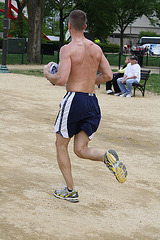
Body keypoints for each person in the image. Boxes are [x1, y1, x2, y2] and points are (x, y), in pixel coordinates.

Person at [43, 10, 127, 203]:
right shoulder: (95, 49)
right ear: (85, 27)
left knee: (61, 144)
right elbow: (108, 75)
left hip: (74, 100)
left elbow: (62, 79)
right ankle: (106, 157)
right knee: (80, 149)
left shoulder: (68, 49)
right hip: (91, 101)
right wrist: (89, 80)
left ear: (70, 26)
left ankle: (70, 190)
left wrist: (48, 74)